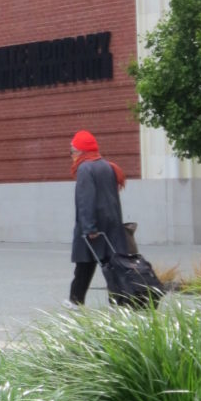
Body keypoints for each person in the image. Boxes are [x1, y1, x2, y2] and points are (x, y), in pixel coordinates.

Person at [68, 129, 126, 306]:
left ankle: (76, 301)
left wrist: (89, 227)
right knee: (109, 264)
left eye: (72, 151)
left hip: (94, 227)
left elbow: (86, 199)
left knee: (85, 264)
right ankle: (117, 301)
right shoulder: (108, 166)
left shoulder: (85, 168)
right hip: (111, 224)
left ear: (80, 151)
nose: (71, 155)